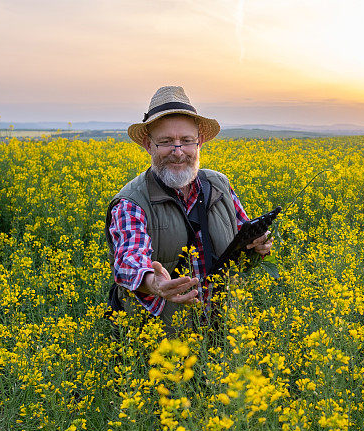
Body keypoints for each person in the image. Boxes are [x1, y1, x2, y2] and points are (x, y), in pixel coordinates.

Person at [105, 86, 272, 330]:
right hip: (161, 342)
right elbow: (130, 259)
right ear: (147, 145)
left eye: (186, 141)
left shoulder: (219, 185)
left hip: (223, 333)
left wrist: (258, 246)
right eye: (165, 142)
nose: (178, 152)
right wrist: (153, 283)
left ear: (200, 142)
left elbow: (241, 239)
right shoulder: (131, 202)